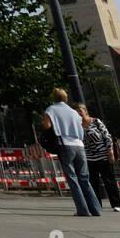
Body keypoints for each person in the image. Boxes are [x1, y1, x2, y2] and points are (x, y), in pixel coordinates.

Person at [43, 88, 102, 217]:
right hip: (79, 145)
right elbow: (81, 126)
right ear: (66, 98)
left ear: (53, 97)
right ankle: (96, 209)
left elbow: (47, 126)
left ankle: (82, 209)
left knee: (72, 178)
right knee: (84, 178)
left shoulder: (51, 110)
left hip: (65, 144)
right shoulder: (73, 112)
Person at [76, 103, 120, 212]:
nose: (79, 115)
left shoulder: (96, 121)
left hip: (103, 156)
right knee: (93, 183)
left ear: (85, 112)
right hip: (89, 158)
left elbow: (107, 136)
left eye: (80, 112)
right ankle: (96, 205)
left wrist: (110, 152)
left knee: (109, 181)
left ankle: (116, 204)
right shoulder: (76, 126)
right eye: (76, 113)